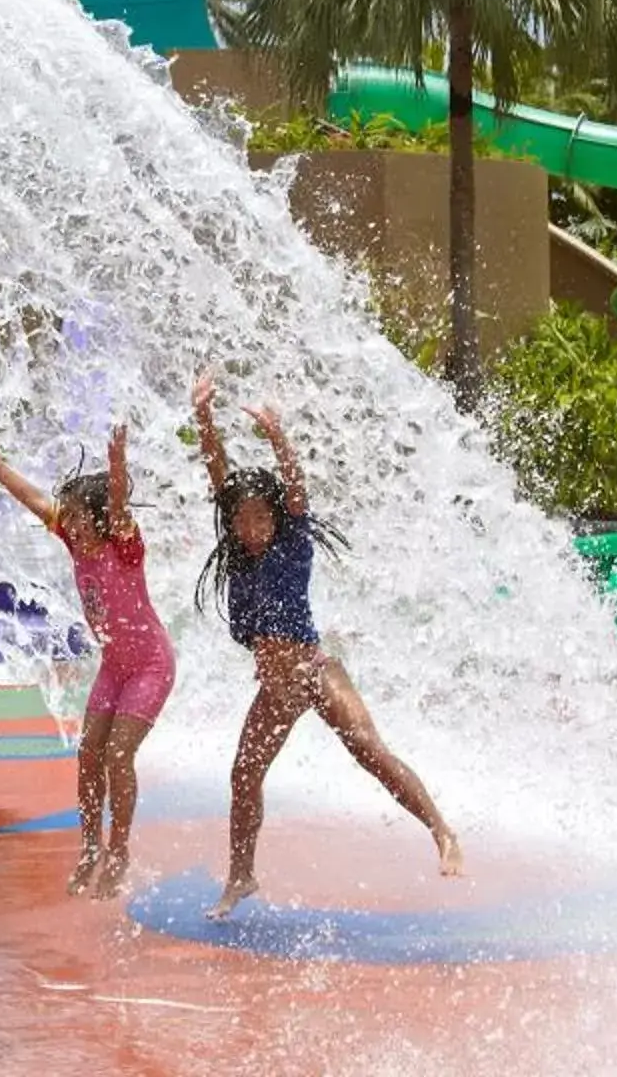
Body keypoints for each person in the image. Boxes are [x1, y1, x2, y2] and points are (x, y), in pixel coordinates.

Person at [191, 371, 463, 919]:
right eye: (241, 520)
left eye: (259, 516)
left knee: (370, 751)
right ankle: (241, 875)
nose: (250, 527)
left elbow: (295, 486)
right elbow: (220, 480)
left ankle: (442, 831)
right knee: (244, 775)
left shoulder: (293, 543)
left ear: (275, 516)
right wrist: (204, 420)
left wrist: (278, 437)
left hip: (315, 670)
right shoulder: (240, 552)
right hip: (278, 688)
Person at [0, 419, 173, 897]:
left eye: (81, 517)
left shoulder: (124, 548)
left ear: (102, 519)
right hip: (115, 668)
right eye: (71, 518)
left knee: (118, 756)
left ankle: (119, 851)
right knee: (88, 756)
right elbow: (38, 501)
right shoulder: (74, 540)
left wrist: (118, 465)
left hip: (150, 666)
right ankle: (89, 848)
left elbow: (120, 507)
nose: (71, 524)